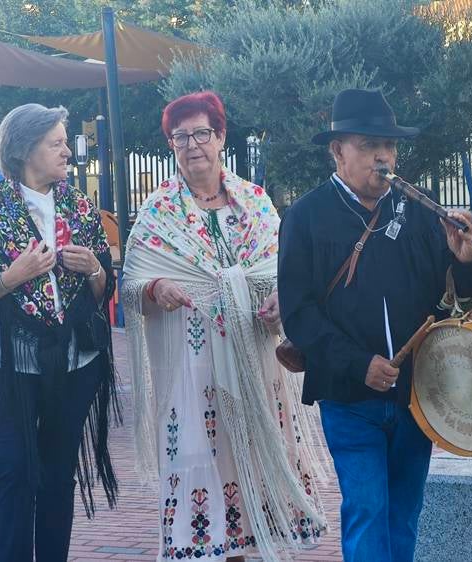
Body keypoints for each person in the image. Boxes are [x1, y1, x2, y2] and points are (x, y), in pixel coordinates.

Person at [278, 88, 472, 562]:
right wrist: (360, 364)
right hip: (349, 396)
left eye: (390, 147)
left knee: (404, 513)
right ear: (337, 151)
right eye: (368, 146)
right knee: (368, 508)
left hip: (417, 394)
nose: (384, 157)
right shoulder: (306, 217)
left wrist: (466, 262)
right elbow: (298, 313)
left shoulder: (420, 210)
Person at [121, 91, 328, 562]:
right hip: (194, 368)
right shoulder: (158, 211)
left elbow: (284, 269)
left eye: (201, 133)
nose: (192, 145)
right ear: (171, 145)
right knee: (199, 455)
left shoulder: (255, 203)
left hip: (255, 361)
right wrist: (156, 287)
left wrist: (281, 299)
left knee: (256, 452)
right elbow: (132, 281)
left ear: (221, 137)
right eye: (180, 137)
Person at [0, 103, 120, 562]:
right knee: (17, 473)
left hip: (72, 361)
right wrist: (11, 277)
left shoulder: (79, 206)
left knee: (58, 474)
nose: (68, 152)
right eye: (57, 143)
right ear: (26, 150)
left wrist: (95, 271)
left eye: (66, 141)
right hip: (8, 365)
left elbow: (106, 285)